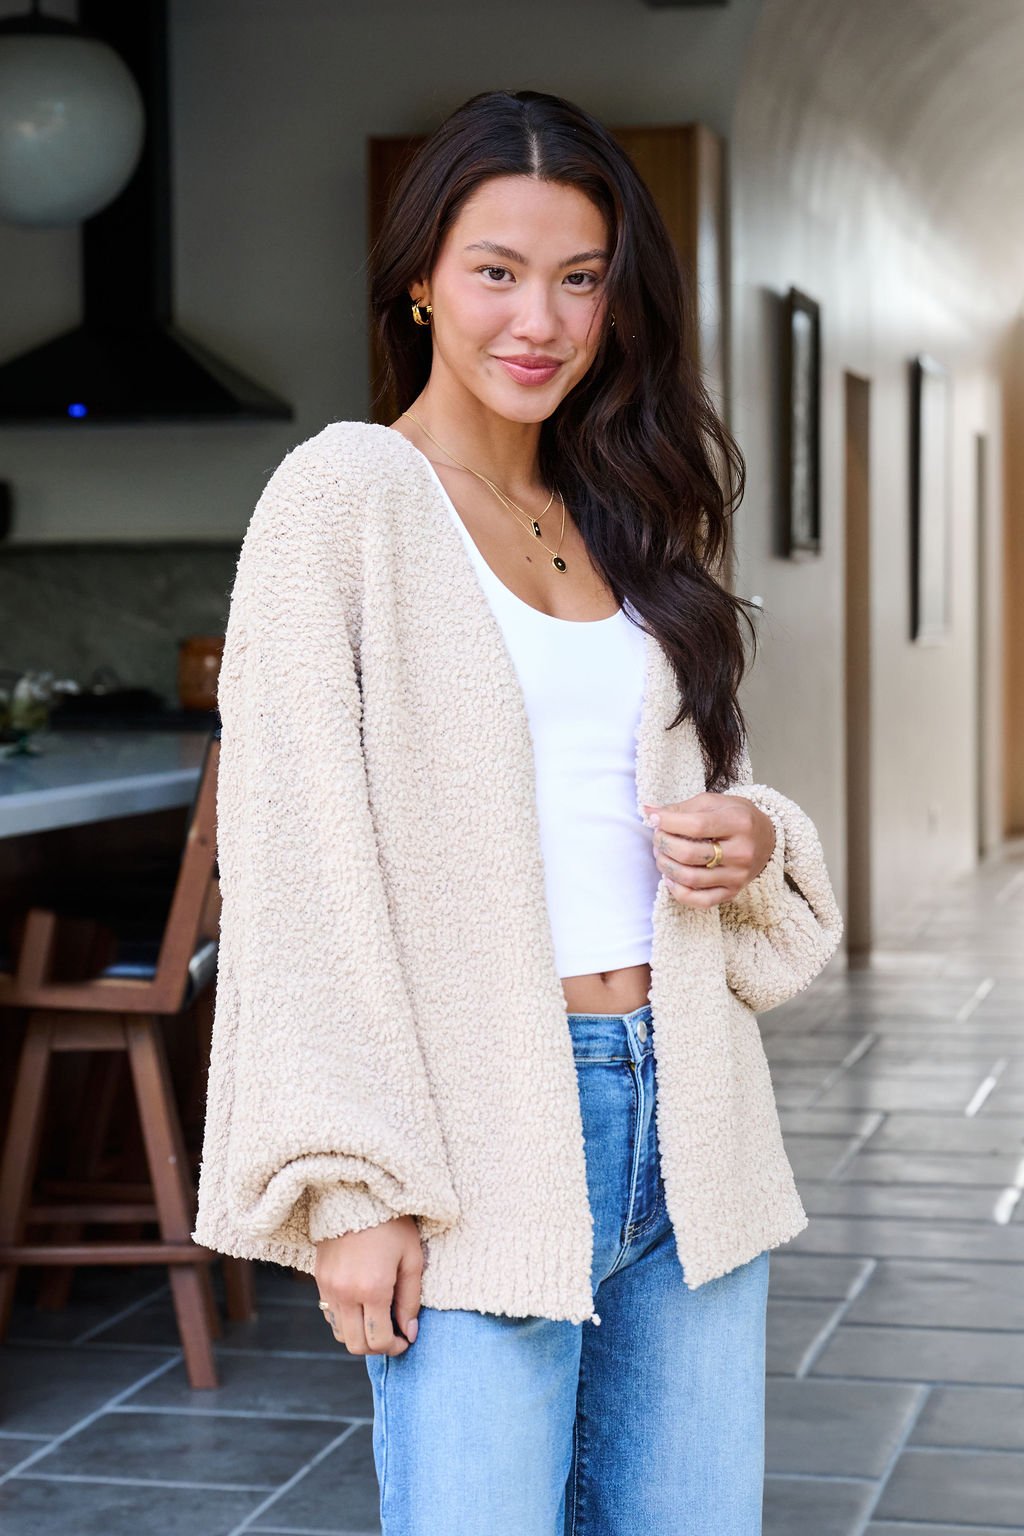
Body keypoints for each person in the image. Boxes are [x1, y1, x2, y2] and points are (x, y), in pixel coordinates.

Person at [193, 88, 843, 1536]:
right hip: (481, 1124)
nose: (538, 318)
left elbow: (677, 797)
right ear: (420, 281)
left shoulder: (618, 511)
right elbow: (294, 866)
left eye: (581, 277)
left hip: (691, 1105)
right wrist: (352, 1186)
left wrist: (752, 838)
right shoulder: (347, 496)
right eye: (496, 271)